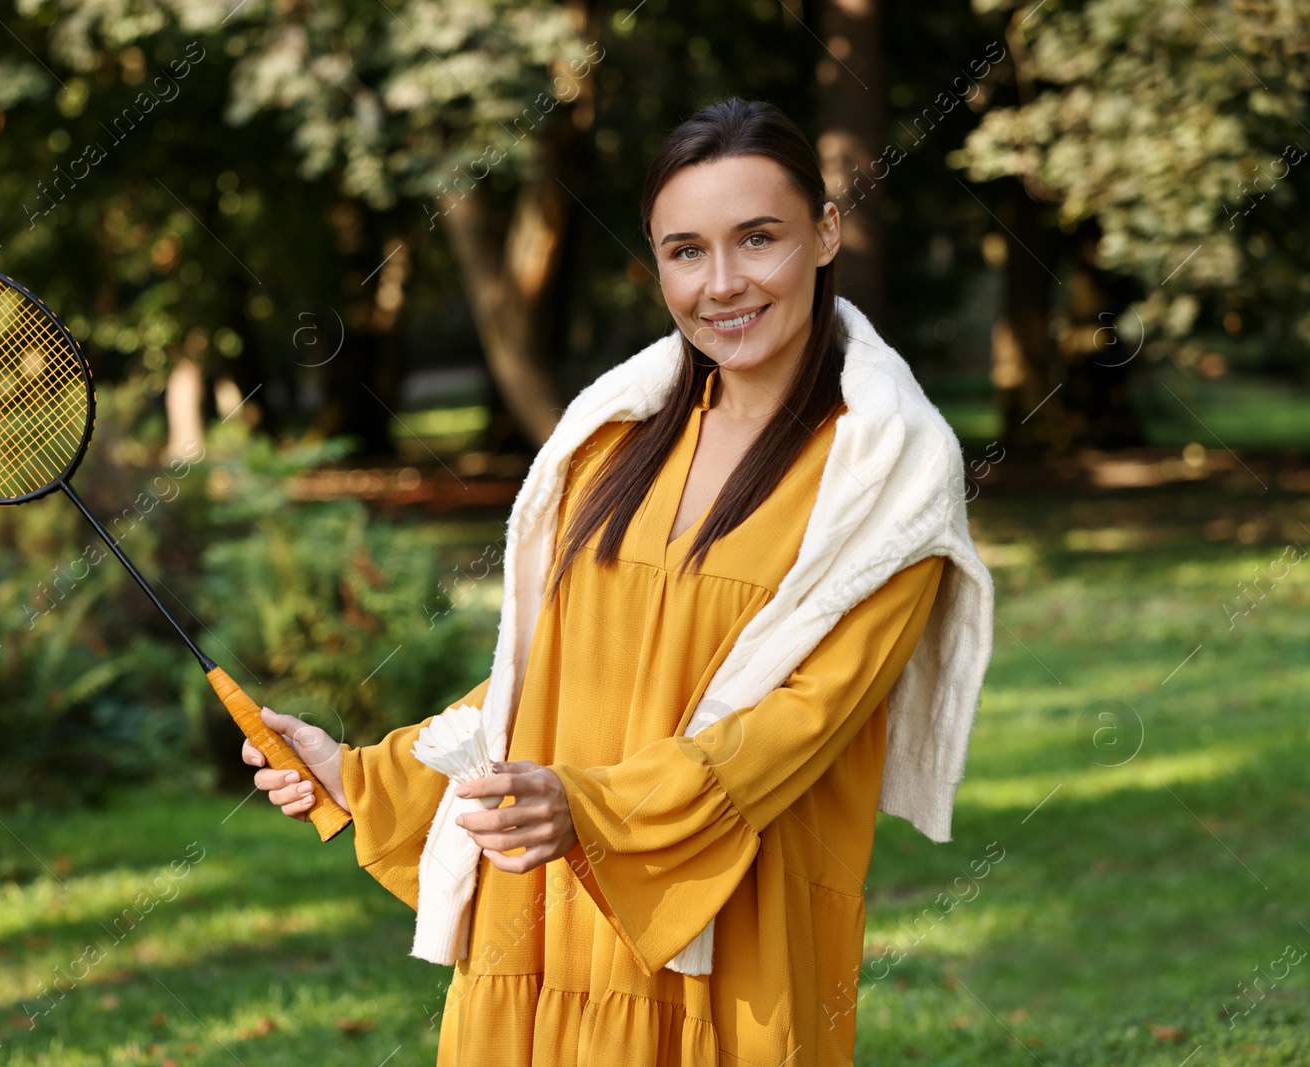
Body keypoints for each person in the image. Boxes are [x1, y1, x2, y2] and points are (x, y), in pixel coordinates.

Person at [242, 97, 978, 1065]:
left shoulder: (887, 471)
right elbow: (537, 680)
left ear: (826, 230)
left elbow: (797, 725)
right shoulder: (611, 444)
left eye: (758, 238)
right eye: (685, 250)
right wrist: (362, 772)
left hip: (725, 939)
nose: (722, 283)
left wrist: (588, 805)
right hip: (542, 918)